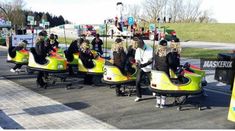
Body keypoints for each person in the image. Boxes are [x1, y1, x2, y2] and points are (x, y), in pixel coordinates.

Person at [153, 39, 171, 108]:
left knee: (158, 87)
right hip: (165, 72)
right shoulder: (168, 54)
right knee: (164, 87)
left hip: (157, 72)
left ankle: (158, 103)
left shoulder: (156, 53)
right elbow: (170, 63)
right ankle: (163, 103)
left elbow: (155, 62)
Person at [134, 37, 153, 102]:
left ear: (143, 45)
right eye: (139, 47)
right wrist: (137, 63)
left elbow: (151, 60)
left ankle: (155, 92)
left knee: (152, 82)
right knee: (137, 81)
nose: (140, 48)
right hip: (141, 67)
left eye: (141, 47)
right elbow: (137, 59)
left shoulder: (150, 49)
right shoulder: (138, 49)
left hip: (149, 68)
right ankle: (138, 96)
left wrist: (144, 64)